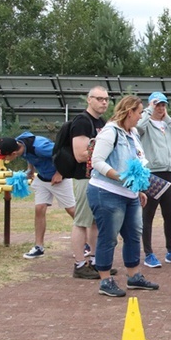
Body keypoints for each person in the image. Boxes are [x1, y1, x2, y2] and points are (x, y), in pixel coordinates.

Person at [88, 95, 159, 297]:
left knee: (134, 233)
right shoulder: (110, 132)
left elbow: (139, 162)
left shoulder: (134, 133)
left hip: (130, 194)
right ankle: (105, 280)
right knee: (109, 236)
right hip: (106, 192)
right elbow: (97, 162)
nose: (140, 117)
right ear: (130, 112)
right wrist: (119, 177)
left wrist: (139, 189)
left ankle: (134, 276)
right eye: (139, 112)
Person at [0, 133, 76, 260]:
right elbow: (29, 157)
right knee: (39, 209)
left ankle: (88, 242)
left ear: (13, 154)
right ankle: (38, 247)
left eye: (3, 157)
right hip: (42, 179)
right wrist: (30, 170)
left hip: (60, 179)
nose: (1, 159)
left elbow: (66, 154)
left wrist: (60, 173)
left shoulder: (41, 147)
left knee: (72, 210)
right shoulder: (19, 144)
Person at [136, 91, 171, 268]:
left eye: (163, 105)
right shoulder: (145, 122)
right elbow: (138, 129)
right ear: (151, 105)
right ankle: (148, 253)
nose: (161, 108)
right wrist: (147, 112)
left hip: (169, 172)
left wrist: (168, 119)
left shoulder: (167, 123)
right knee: (148, 214)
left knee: (170, 215)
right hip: (152, 173)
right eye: (157, 105)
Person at [69, 86, 109, 279]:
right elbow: (79, 155)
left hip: (97, 177)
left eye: (106, 99)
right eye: (99, 99)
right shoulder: (82, 122)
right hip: (84, 177)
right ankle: (79, 264)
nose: (104, 102)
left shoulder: (101, 122)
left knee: (94, 222)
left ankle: (94, 261)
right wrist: (105, 153)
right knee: (81, 221)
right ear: (89, 100)